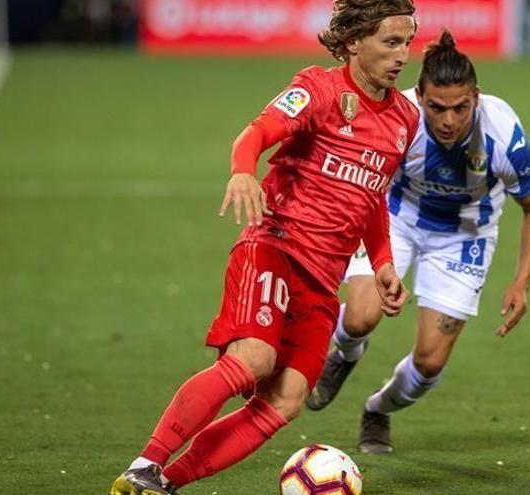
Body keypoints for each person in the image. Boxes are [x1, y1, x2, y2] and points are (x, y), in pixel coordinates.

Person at [109, 1, 419, 493]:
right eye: (391, 42)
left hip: (323, 278)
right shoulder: (317, 89)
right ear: (355, 41)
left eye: (407, 42)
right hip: (275, 246)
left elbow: (372, 196)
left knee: (287, 399)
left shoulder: (404, 117)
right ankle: (146, 463)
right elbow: (255, 134)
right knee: (253, 359)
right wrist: (242, 171)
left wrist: (382, 262)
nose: (403, 55)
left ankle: (164, 483)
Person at [304, 30, 530, 455]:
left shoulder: (503, 135)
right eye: (437, 108)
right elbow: (362, 183)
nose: (449, 121)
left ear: (476, 96)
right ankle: (344, 353)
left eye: (460, 107)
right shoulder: (396, 117)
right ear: (419, 97)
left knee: (430, 362)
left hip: (464, 235)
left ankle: (377, 409)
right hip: (395, 220)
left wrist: (521, 282)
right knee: (362, 315)